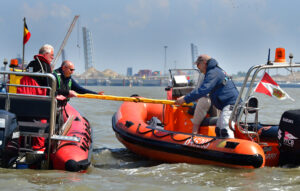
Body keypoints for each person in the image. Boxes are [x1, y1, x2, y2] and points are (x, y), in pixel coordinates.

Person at [175, 55, 239, 138]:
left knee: (225, 130)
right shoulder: (216, 70)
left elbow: (203, 89)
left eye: (198, 65)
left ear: (204, 63)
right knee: (218, 129)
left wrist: (185, 99)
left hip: (230, 104)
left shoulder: (212, 72)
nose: (198, 68)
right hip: (227, 105)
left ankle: (230, 147)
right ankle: (220, 147)